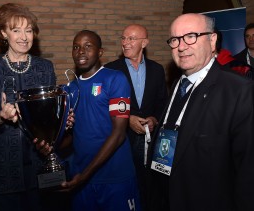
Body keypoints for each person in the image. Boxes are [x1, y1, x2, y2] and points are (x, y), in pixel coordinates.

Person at [0, 3, 71, 211]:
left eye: (29, 30)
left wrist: (63, 120)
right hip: (1, 173)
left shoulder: (45, 68)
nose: (24, 37)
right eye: (16, 30)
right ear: (4, 33)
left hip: (40, 170)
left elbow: (50, 117)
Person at [146, 13, 254, 211]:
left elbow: (247, 174)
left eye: (191, 36)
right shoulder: (179, 84)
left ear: (212, 41)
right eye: (175, 39)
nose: (181, 46)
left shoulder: (239, 91)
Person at [58, 30, 141, 211]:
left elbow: (119, 134)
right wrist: (52, 144)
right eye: (76, 47)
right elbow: (75, 134)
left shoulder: (115, 79)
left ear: (100, 52)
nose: (81, 51)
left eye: (88, 46)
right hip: (80, 179)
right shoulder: (70, 89)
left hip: (115, 178)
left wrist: (85, 175)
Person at [105, 24, 168, 210]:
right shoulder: (111, 70)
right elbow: (104, 106)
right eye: (123, 38)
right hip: (121, 141)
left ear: (144, 43)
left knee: (150, 187)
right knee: (127, 188)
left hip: (151, 140)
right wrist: (128, 119)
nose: (125, 42)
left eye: (131, 38)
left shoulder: (157, 69)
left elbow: (162, 102)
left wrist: (154, 120)